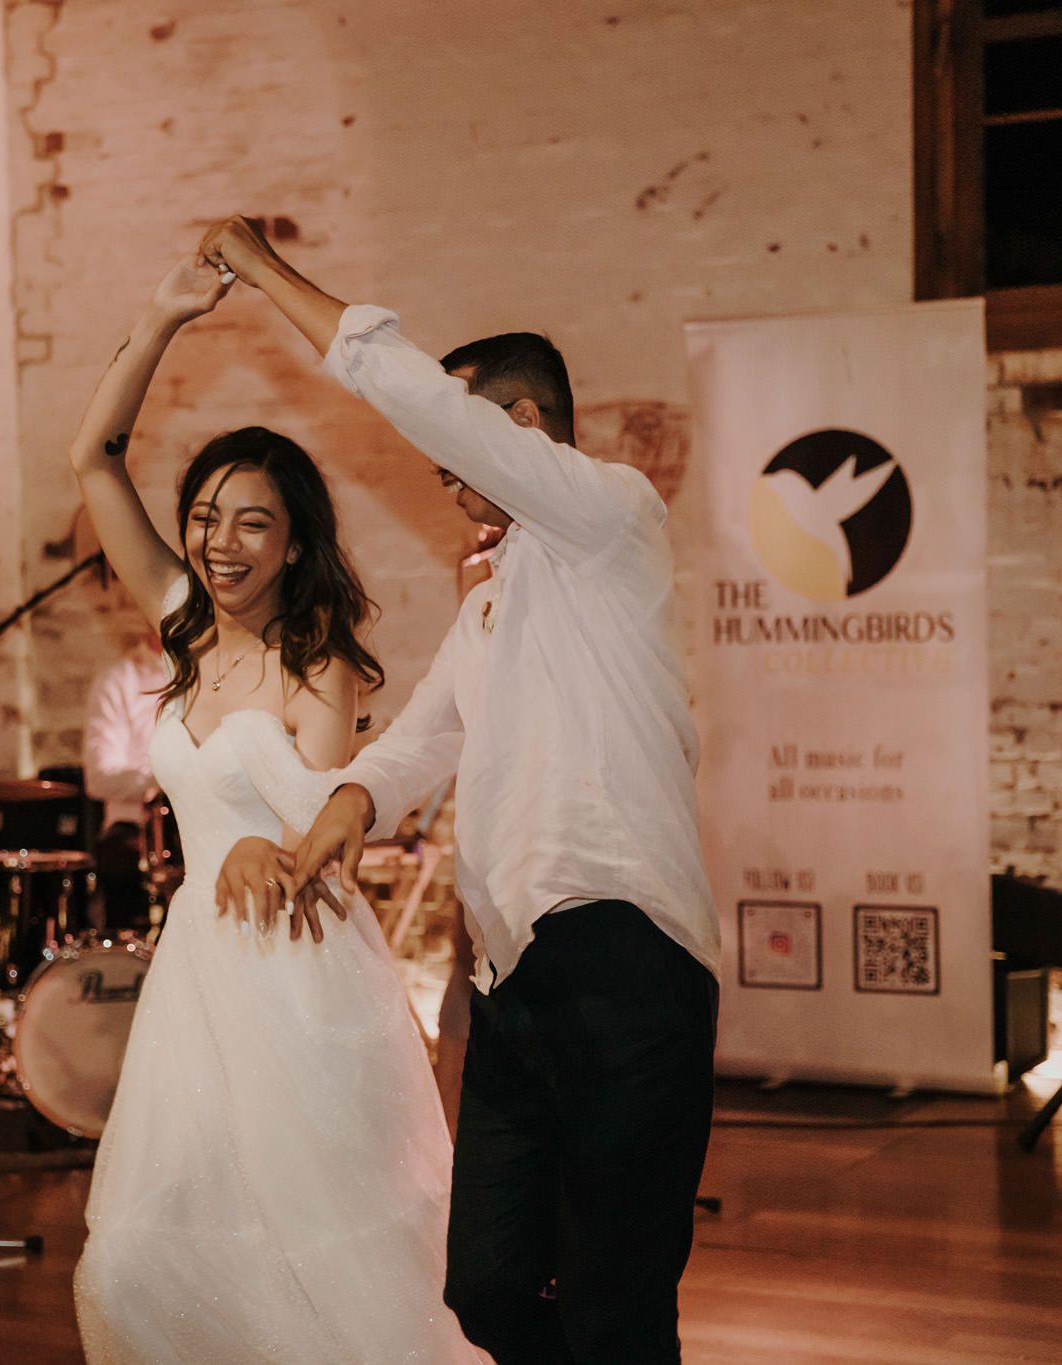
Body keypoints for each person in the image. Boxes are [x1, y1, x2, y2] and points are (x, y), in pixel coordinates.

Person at [205, 215, 722, 1365]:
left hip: (625, 967)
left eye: (457, 457)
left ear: (521, 427)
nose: (445, 485)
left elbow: (410, 393)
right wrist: (346, 806)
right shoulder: (491, 596)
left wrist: (267, 271)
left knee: (614, 1310)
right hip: (508, 982)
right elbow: (422, 737)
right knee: (486, 1289)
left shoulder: (611, 517)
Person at [65, 252, 478, 1363]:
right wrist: (160, 317)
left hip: (297, 969)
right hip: (199, 968)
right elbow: (92, 457)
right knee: (147, 1254)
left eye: (252, 522)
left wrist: (270, 849)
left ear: (294, 541)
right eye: (206, 517)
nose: (220, 541)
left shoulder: (317, 663)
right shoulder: (181, 623)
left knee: (313, 1250)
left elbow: (325, 825)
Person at [81, 632, 163, 929]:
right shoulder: (118, 680)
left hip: (201, 824)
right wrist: (164, 778)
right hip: (137, 831)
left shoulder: (211, 672)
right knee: (119, 854)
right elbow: (99, 777)